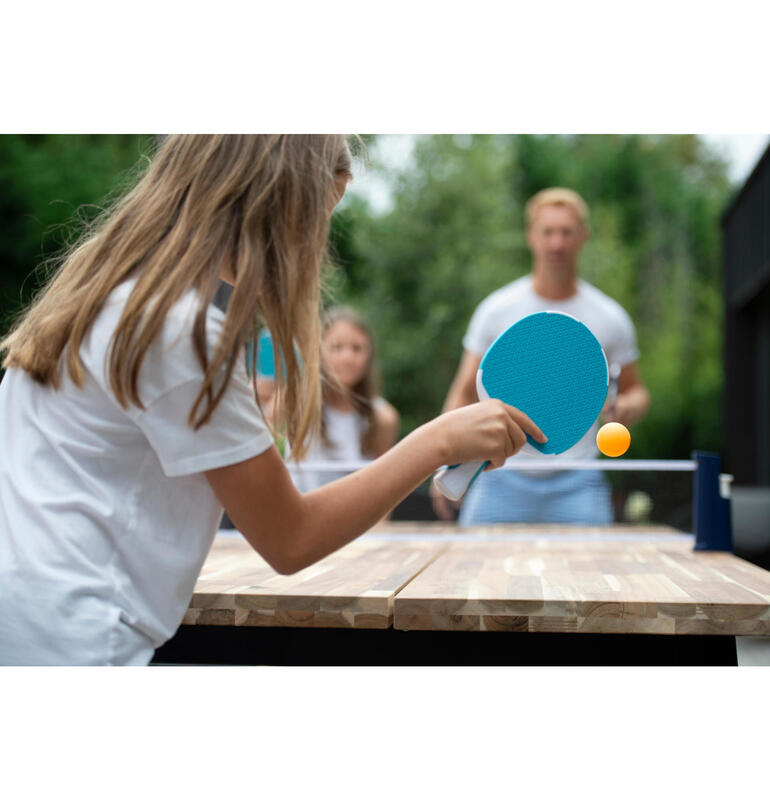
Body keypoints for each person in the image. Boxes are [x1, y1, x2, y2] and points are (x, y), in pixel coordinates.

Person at [0, 135, 544, 665]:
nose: (317, 241)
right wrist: (439, 439)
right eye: (318, 215)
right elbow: (290, 539)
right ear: (274, 201)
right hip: (77, 641)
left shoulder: (107, 297)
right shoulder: (179, 332)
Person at [430, 187, 650, 525]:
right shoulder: (496, 310)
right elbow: (463, 391)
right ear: (531, 236)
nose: (556, 243)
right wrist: (440, 458)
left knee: (595, 574)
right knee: (473, 573)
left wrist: (628, 406)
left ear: (583, 237)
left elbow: (637, 391)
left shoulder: (610, 317)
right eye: (548, 232)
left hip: (579, 480)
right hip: (500, 475)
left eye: (566, 232)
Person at [285, 306, 399, 492]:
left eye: (357, 349)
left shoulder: (383, 418)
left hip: (360, 518)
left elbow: (386, 488)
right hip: (300, 514)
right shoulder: (297, 404)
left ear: (369, 354)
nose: (347, 358)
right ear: (318, 351)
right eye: (336, 347)